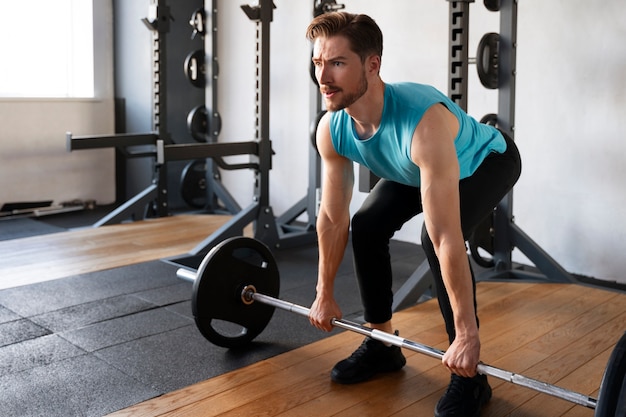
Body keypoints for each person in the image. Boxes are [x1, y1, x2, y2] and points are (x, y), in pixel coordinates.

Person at [305, 11, 522, 417]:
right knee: (366, 225)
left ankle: (470, 378)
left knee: (432, 237)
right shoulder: (332, 128)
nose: (323, 76)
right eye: (318, 63)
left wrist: (467, 337)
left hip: (486, 161)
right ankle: (383, 344)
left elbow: (444, 238)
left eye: (336, 63)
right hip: (414, 167)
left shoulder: (422, 121)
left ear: (372, 64)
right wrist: (324, 293)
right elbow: (333, 219)